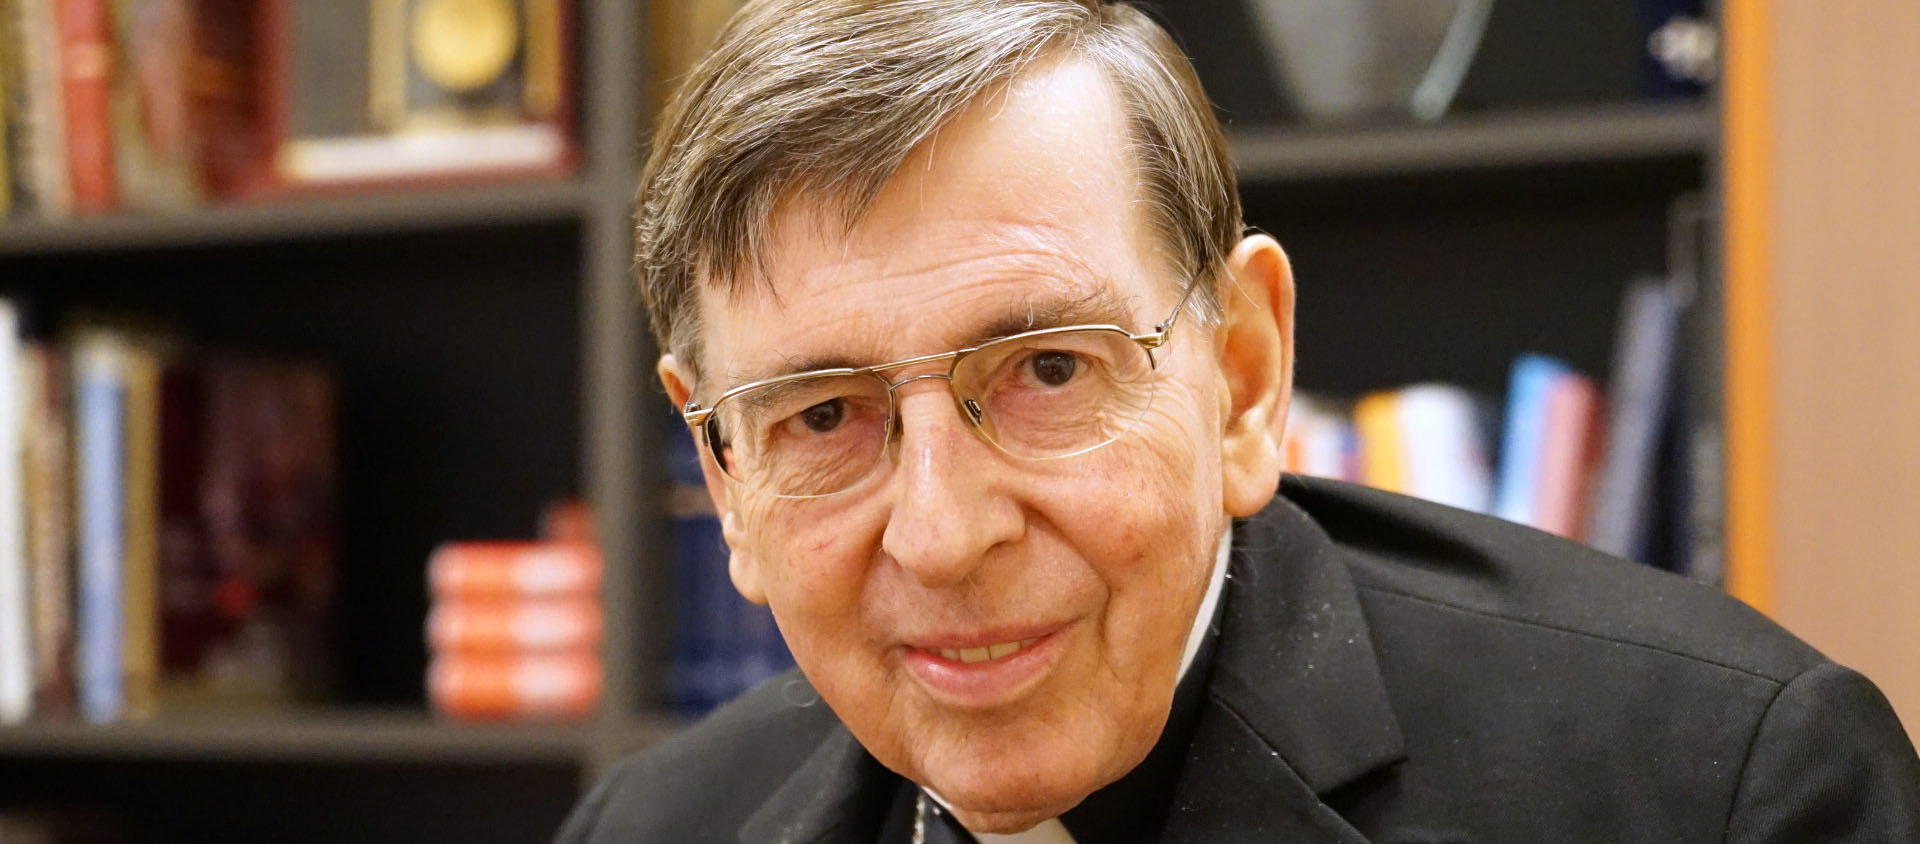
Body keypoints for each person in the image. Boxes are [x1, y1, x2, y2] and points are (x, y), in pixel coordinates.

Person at [557, 1, 1920, 841]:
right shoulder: (652, 828)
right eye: (824, 414)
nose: (942, 533)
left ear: (1246, 376)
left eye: (1045, 372)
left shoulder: (1727, 796)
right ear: (724, 475)